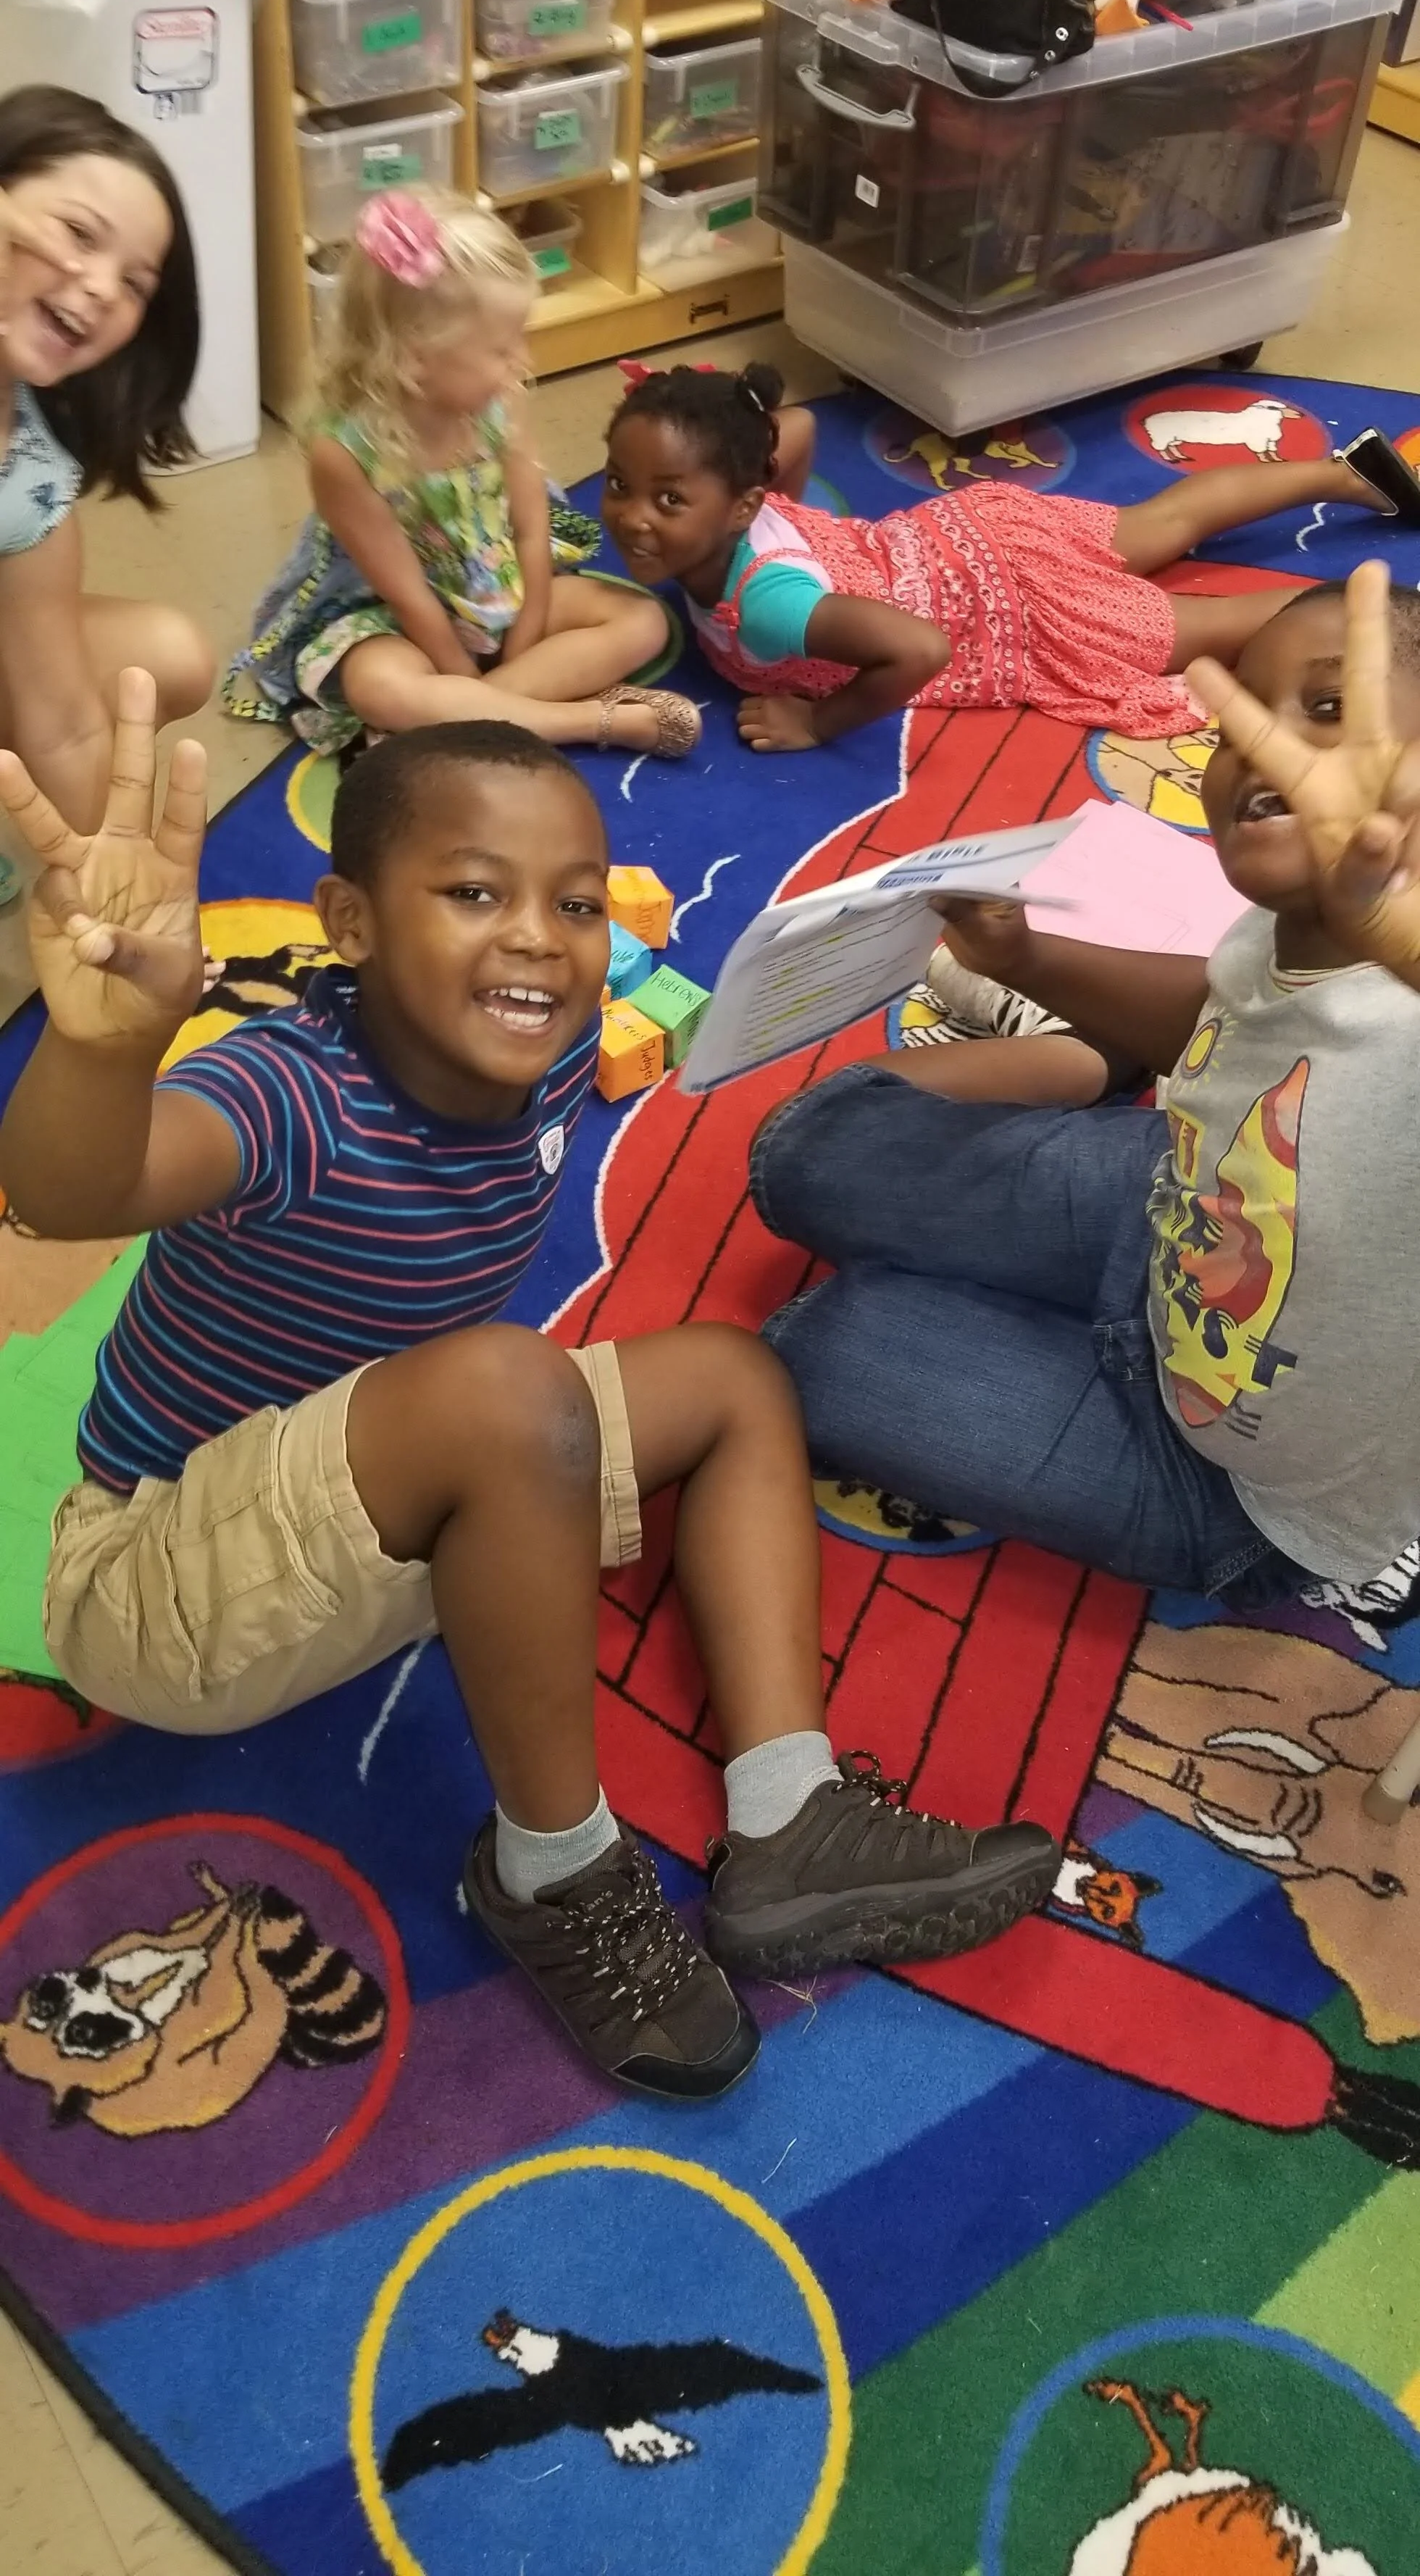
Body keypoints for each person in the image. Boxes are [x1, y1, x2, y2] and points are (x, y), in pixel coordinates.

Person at [0, 685, 1057, 2102]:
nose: (534, 939)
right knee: (510, 1389)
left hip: (389, 1502)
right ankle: (552, 1870)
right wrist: (106, 1041)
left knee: (734, 1378)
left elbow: (722, 1042)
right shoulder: (287, 1095)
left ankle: (789, 1814)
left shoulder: (554, 1048)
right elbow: (73, 1187)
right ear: (351, 925)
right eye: (471, 892)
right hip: (157, 1588)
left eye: (572, 906)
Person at [748, 564, 1420, 1642]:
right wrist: (1027, 958)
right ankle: (1078, 1063)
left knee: (810, 1348)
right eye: (1239, 720)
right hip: (1168, 1205)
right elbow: (1216, 1016)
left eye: (1330, 709)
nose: (1264, 746)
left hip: (1228, 1487)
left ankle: (1067, 1088)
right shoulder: (1283, 927)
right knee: (804, 1150)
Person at [599, 359, 1416, 756]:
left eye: (669, 500)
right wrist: (776, 491)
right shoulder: (755, 498)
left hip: (1009, 612)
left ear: (741, 503)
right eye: (617, 485)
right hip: (969, 534)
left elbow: (920, 650)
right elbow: (798, 431)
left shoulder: (773, 605)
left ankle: (1389, 622)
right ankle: (1342, 473)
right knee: (1158, 521)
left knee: (1207, 627)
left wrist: (819, 719)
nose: (631, 518)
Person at [229, 188, 701, 764]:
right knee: (377, 685)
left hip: (504, 586)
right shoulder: (343, 452)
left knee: (643, 620)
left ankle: (447, 725)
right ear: (414, 356)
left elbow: (530, 529)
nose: (521, 362)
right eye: (502, 349)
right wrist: (457, 667)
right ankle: (585, 721)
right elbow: (407, 595)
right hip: (398, 617)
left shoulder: (503, 402)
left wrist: (522, 637)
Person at [0, 83, 211, 844]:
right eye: (79, 236)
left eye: (134, 285)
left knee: (163, 661)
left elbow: (63, 724)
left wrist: (108, 899)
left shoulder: (29, 472)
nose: (98, 288)